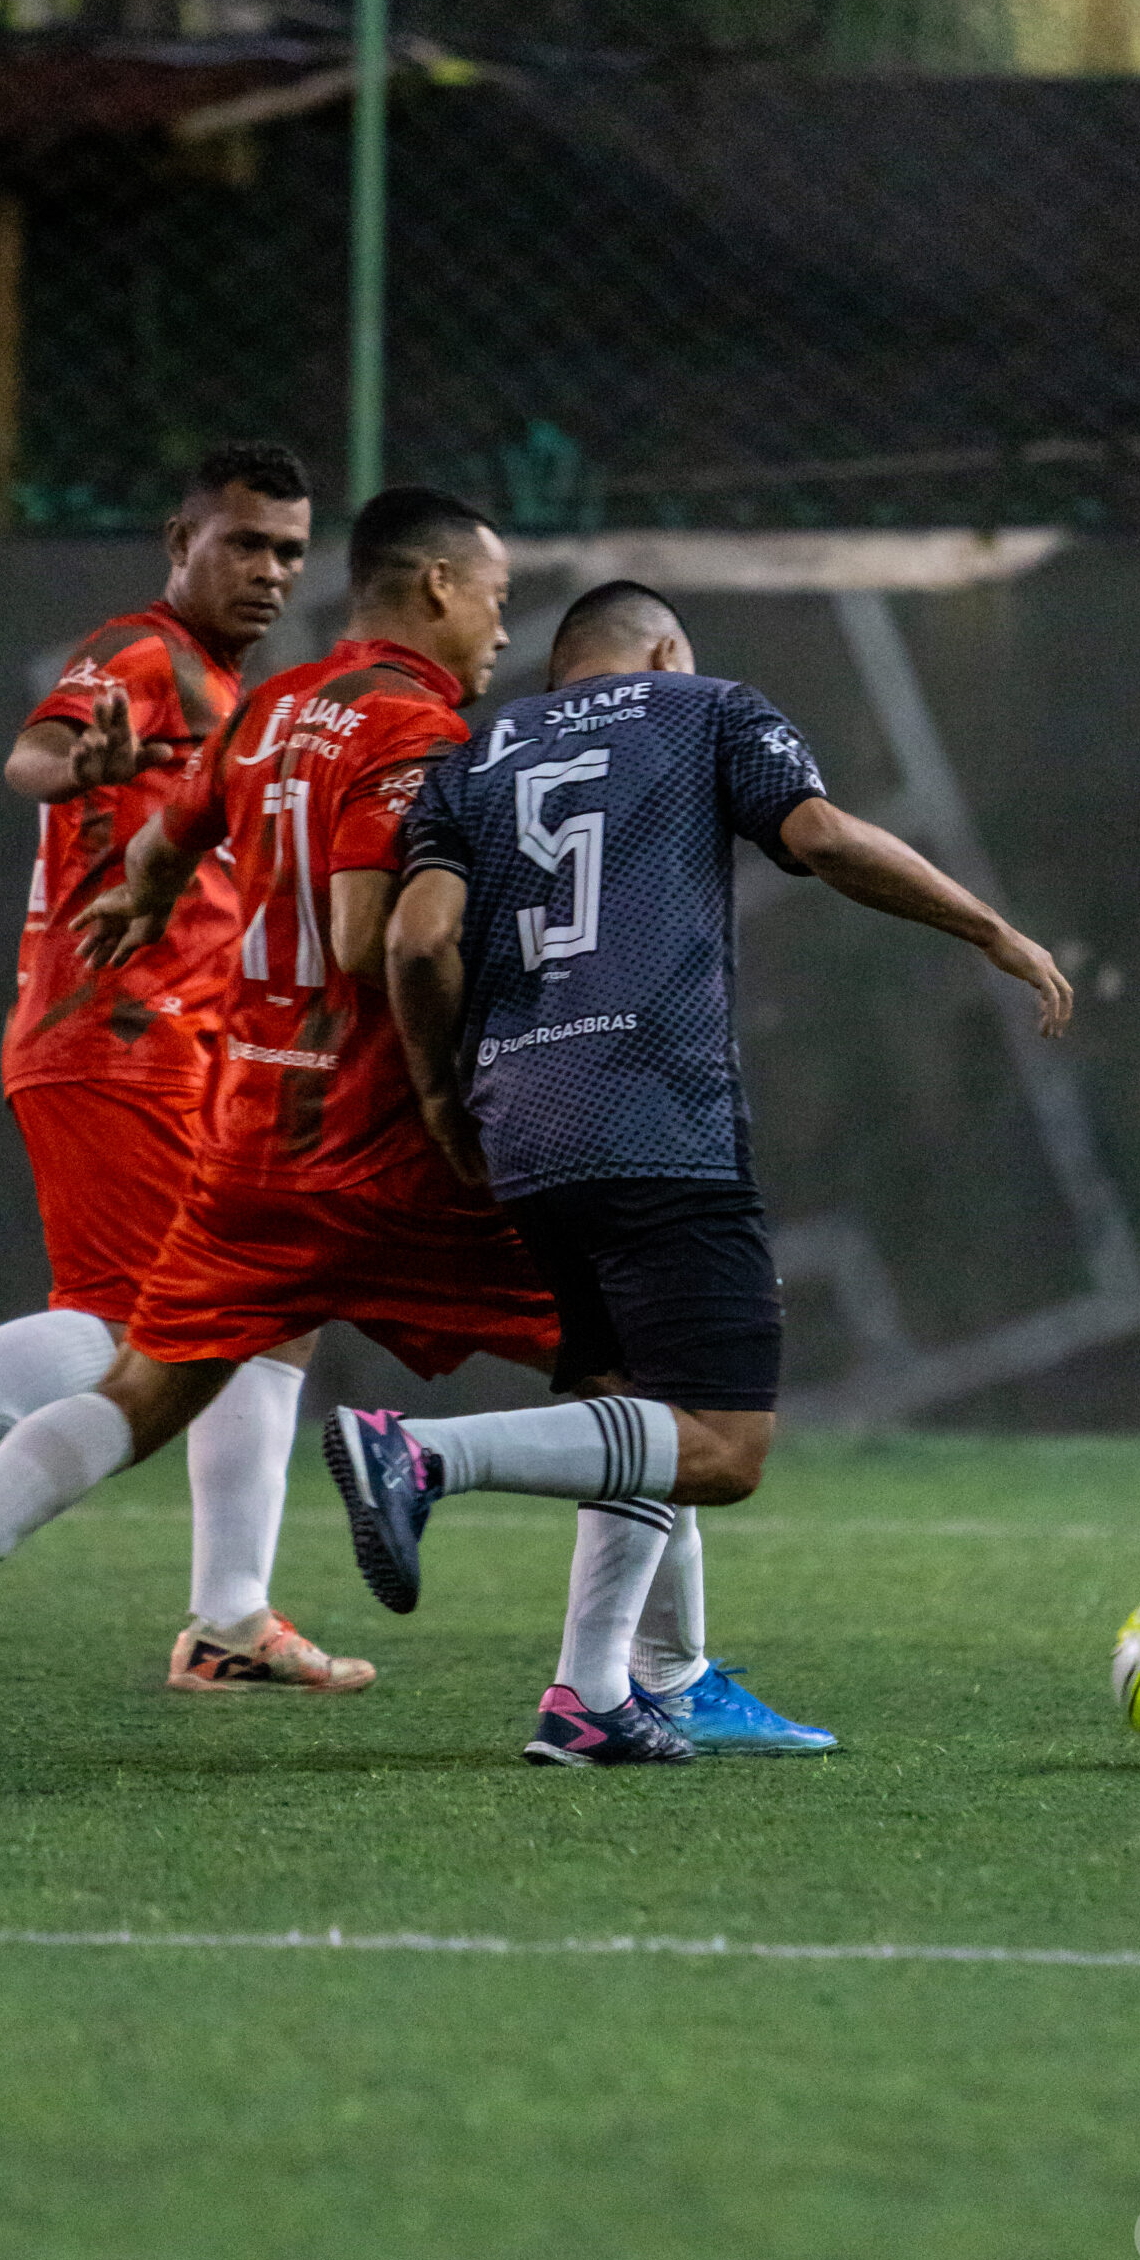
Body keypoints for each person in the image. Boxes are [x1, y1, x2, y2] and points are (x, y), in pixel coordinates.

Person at [0, 499, 829, 1764]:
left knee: (140, 1387)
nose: (503, 631)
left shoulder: (269, 706)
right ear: (437, 586)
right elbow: (374, 937)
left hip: (251, 1148)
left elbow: (168, 840)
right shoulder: (420, 732)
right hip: (394, 1151)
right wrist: (468, 1055)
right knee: (650, 1381)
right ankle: (621, 1687)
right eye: (496, 600)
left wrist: (139, 901)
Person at [323, 579, 1074, 1767]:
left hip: (523, 1121)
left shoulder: (472, 759)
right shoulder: (708, 707)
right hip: (656, 1110)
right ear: (666, 649)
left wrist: (436, 1096)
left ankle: (593, 1697)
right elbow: (821, 838)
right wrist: (991, 929)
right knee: (722, 1444)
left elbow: (417, 941)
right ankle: (420, 1455)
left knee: (633, 1407)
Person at [0, 441, 373, 1701]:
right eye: (245, 543)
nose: (271, 570)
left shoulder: (231, 692)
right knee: (136, 1322)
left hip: (186, 1051)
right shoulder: (144, 653)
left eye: (289, 551)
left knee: (278, 1308)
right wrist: (81, 765)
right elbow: (34, 757)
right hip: (118, 1035)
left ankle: (231, 1616)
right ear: (181, 542)